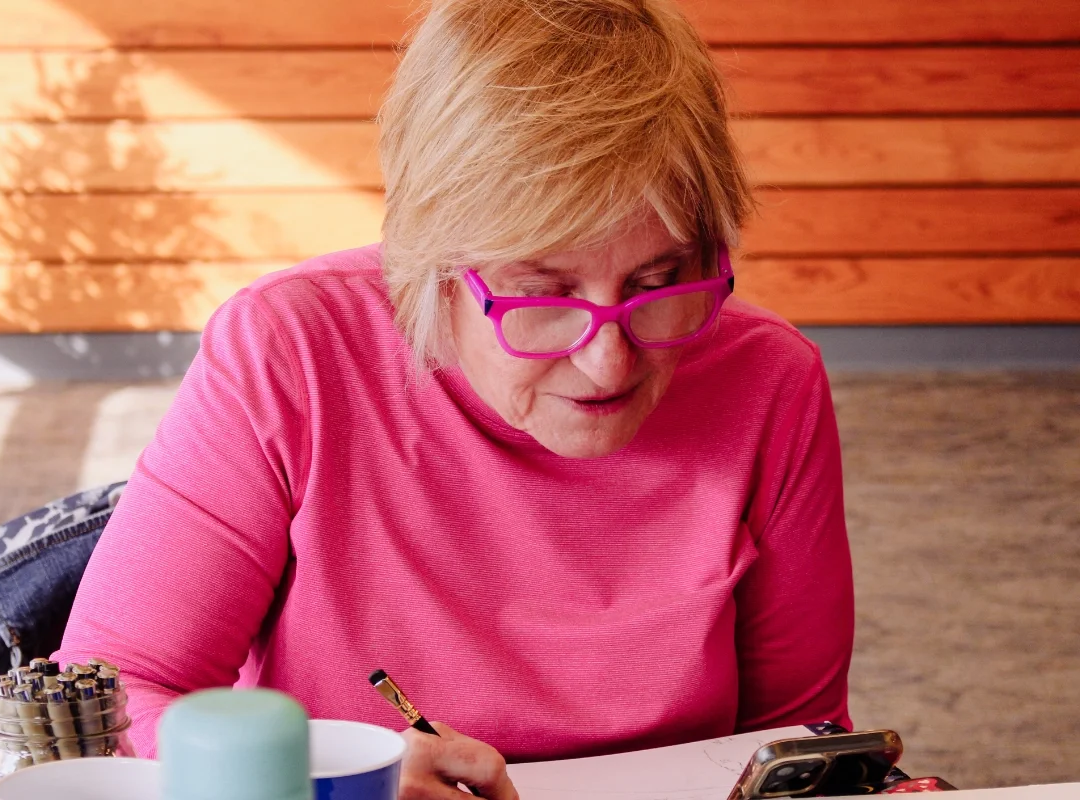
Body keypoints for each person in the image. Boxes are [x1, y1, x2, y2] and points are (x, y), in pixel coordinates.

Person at [56, 1, 854, 797]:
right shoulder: (290, 350)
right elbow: (111, 705)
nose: (608, 361)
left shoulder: (771, 380)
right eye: (542, 292)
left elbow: (800, 739)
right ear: (429, 262)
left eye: (658, 283)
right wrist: (329, 777)